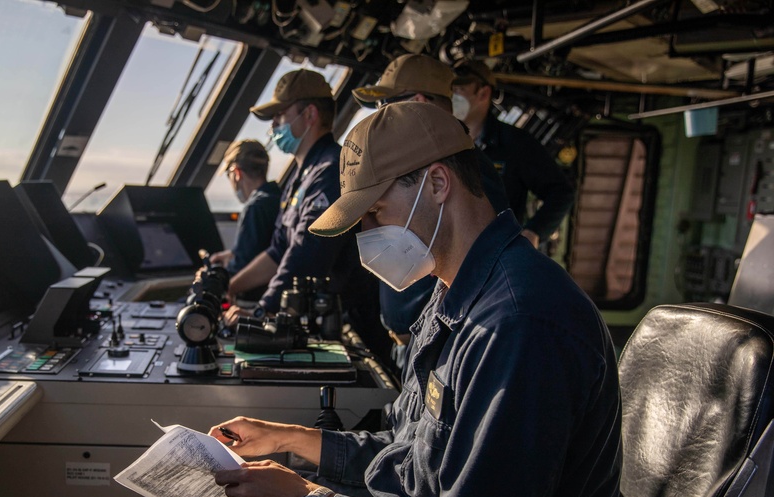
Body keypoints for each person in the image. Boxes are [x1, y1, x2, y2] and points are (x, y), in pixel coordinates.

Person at [209, 102, 621, 497]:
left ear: (436, 184)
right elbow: (414, 456)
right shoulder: (452, 294)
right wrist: (290, 440)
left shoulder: (520, 323)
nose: (368, 237)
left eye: (376, 213)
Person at [351, 53, 511, 357]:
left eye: (385, 105)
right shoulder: (416, 163)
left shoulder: (467, 168)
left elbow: (475, 259)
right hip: (422, 336)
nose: (379, 116)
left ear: (418, 102)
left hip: (449, 341)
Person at [225, 69, 390, 361]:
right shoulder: (299, 178)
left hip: (352, 325)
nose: (274, 126)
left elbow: (307, 254)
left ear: (309, 114)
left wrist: (262, 311)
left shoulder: (332, 172)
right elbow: (278, 250)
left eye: (279, 115)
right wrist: (232, 286)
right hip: (322, 320)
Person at [452, 58, 576, 249]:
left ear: (483, 93)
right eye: (450, 90)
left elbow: (561, 192)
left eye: (459, 90)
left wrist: (534, 231)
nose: (452, 97)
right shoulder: (444, 141)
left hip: (495, 255)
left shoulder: (514, 143)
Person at [209, 139, 280, 302]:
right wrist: (233, 255)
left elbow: (242, 269)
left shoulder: (255, 207)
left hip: (254, 301)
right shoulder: (279, 198)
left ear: (237, 172)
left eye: (229, 176)